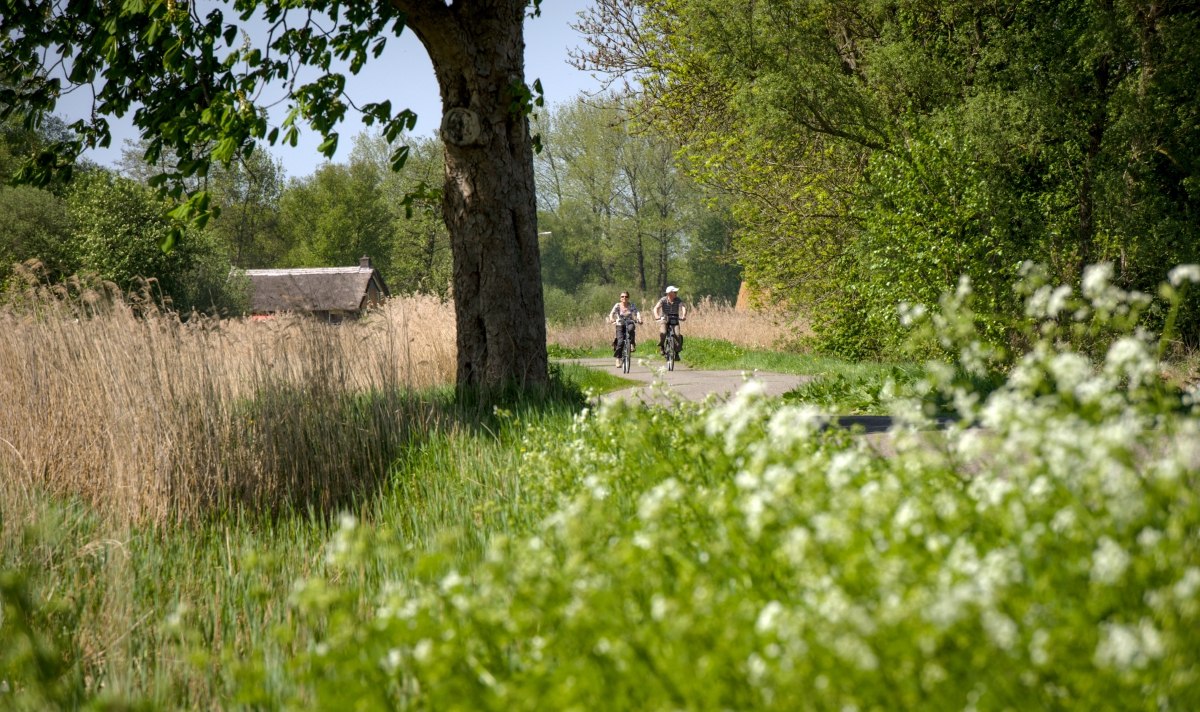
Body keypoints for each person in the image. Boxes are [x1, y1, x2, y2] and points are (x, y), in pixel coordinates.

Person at [607, 291, 643, 367]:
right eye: (622, 297)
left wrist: (639, 319)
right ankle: (618, 359)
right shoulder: (617, 305)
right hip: (620, 324)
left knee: (631, 329)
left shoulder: (632, 305)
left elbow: (637, 313)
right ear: (620, 298)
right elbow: (612, 313)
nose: (624, 298)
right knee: (620, 342)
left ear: (628, 298)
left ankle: (632, 344)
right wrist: (612, 319)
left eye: (626, 296)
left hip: (629, 322)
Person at [653, 286, 687, 357]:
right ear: (669, 293)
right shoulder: (663, 300)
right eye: (674, 292)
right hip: (665, 319)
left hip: (675, 319)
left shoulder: (677, 300)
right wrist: (657, 316)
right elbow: (656, 308)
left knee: (677, 335)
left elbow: (682, 307)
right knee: (663, 332)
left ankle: (677, 353)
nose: (676, 293)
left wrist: (683, 315)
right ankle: (662, 346)